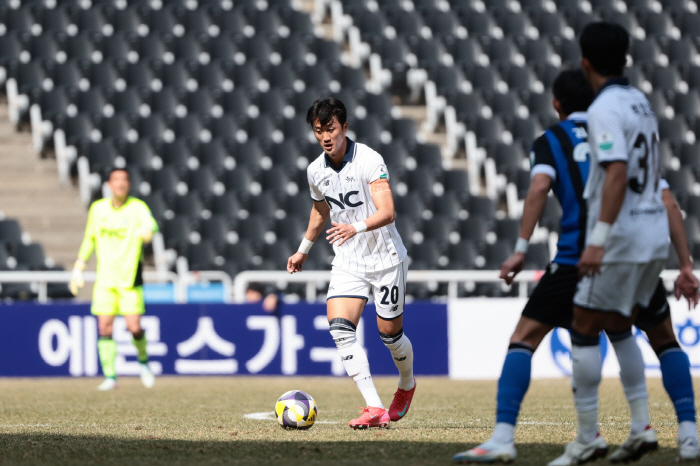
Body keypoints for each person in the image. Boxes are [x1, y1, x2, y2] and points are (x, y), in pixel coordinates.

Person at [452, 70, 700, 464]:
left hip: (578, 255)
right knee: (649, 336)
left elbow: (537, 188)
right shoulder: (625, 131)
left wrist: (519, 249)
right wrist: (685, 264)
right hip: (631, 251)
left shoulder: (551, 140)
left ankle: (512, 437)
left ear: (557, 104)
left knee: (524, 338)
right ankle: (672, 430)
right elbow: (669, 201)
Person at [547, 22, 674, 465]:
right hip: (654, 232)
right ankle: (641, 427)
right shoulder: (642, 102)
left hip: (622, 238)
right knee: (621, 326)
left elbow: (617, 172)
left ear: (586, 61)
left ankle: (586, 439)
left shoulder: (604, 108)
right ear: (626, 57)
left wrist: (597, 240)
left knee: (583, 327)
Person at [286, 97, 415, 429]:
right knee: (341, 330)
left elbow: (388, 211)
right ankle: (374, 407)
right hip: (349, 261)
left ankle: (406, 383)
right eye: (318, 131)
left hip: (385, 259)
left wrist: (354, 227)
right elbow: (320, 212)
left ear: (344, 126)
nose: (326, 137)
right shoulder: (315, 170)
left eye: (330, 128)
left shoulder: (370, 160)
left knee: (389, 335)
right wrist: (303, 249)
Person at [70, 168, 158, 391]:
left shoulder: (137, 207)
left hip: (129, 279)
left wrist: (147, 231)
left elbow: (151, 224)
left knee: (134, 327)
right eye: (116, 180)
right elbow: (89, 237)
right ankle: (110, 376)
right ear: (109, 184)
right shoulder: (98, 209)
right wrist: (79, 265)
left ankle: (144, 362)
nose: (120, 184)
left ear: (128, 184)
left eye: (124, 180)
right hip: (105, 280)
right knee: (104, 327)